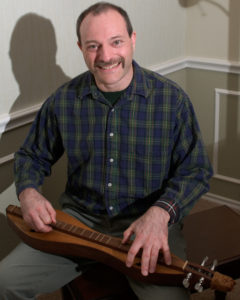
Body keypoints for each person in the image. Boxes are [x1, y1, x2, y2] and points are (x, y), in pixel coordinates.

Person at [0, 2, 212, 299]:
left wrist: (160, 213)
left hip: (148, 222)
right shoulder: (63, 100)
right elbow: (31, 155)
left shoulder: (171, 100)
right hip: (78, 224)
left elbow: (196, 170)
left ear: (132, 39)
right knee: (4, 281)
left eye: (116, 42)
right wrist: (28, 193)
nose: (106, 56)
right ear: (80, 48)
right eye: (93, 46)